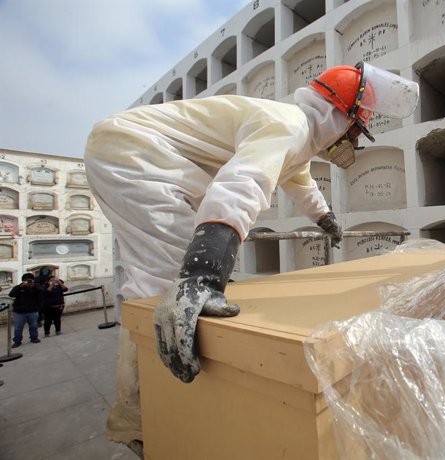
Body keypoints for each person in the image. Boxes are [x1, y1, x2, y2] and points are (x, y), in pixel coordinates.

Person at [84, 62, 418, 443]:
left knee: (154, 285)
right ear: (336, 114)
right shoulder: (289, 126)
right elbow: (242, 185)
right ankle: (150, 418)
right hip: (137, 153)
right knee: (171, 282)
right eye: (354, 130)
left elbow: (302, 185)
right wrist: (202, 275)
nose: (352, 142)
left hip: (128, 149)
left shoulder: (298, 138)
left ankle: (142, 412)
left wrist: (327, 221)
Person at [9, 273, 44, 347]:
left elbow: (43, 291)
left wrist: (34, 287)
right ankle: (17, 341)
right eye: (26, 280)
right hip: (19, 312)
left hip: (32, 310)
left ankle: (34, 338)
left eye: (30, 280)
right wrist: (20, 287)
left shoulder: (36, 286)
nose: (28, 282)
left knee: (34, 326)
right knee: (18, 328)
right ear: (22, 281)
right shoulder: (18, 287)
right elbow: (11, 294)